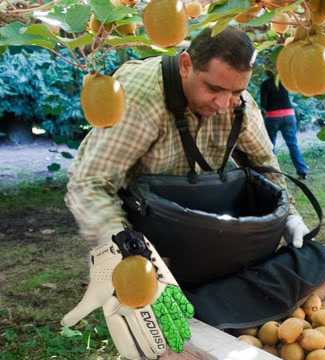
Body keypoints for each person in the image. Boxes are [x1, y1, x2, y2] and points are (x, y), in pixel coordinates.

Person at [61, 27, 310, 359]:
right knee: (159, 343)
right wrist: (127, 250)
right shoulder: (140, 97)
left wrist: (290, 215)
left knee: (215, 330)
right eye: (214, 88)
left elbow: (264, 160)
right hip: (149, 238)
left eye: (236, 91)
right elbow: (89, 182)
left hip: (207, 233)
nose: (224, 104)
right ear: (185, 65)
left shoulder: (236, 101)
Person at [259, 70, 309, 179]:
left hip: (273, 118)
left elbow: (263, 105)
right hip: (289, 116)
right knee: (293, 144)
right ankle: (302, 170)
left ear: (267, 72)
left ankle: (272, 172)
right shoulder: (286, 82)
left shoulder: (265, 84)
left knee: (270, 146)